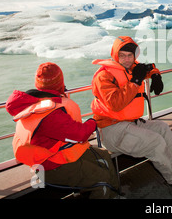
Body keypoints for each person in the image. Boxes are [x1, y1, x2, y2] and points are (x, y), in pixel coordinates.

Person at [91, 36, 172, 196]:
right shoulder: (104, 76)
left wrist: (155, 75)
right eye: (122, 55)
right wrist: (135, 82)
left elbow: (150, 68)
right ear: (115, 55)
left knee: (162, 128)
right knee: (155, 143)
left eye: (130, 55)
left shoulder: (132, 68)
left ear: (135, 56)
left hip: (131, 123)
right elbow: (114, 103)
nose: (127, 59)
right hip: (111, 129)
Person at [6, 62, 119, 199]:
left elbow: (63, 132)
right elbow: (80, 135)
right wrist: (92, 122)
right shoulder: (49, 112)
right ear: (60, 82)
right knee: (102, 179)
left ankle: (114, 195)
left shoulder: (37, 101)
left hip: (58, 155)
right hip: (51, 166)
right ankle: (106, 191)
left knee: (104, 155)